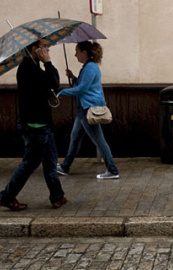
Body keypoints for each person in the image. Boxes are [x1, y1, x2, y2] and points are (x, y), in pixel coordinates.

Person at [0, 39, 67, 211]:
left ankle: (57, 196)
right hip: (35, 125)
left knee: (50, 162)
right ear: (34, 49)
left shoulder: (33, 67)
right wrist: (49, 63)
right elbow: (53, 82)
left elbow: (43, 90)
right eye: (44, 46)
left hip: (43, 123)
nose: (47, 49)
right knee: (29, 164)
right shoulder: (28, 68)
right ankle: (7, 196)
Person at [56, 41, 119, 179]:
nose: (75, 55)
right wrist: (73, 77)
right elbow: (83, 84)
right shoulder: (88, 67)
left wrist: (62, 92)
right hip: (83, 108)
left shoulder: (90, 67)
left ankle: (112, 170)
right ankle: (65, 167)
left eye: (77, 51)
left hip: (89, 108)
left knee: (99, 140)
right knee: (75, 138)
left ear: (84, 53)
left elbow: (82, 88)